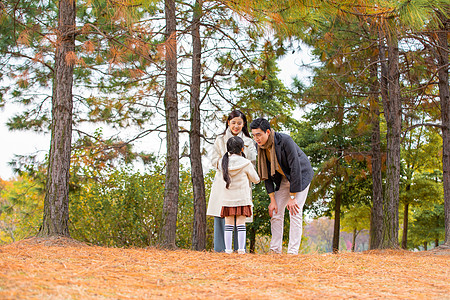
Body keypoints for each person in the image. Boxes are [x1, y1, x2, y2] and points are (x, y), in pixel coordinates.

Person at [250, 117, 314, 254]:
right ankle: (275, 251)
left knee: (295, 210)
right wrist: (272, 200)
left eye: (259, 134)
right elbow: (265, 174)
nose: (257, 138)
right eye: (254, 135)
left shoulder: (285, 141)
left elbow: (295, 168)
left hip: (300, 176)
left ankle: (292, 252)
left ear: (267, 132)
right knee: (275, 211)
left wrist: (293, 197)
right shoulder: (259, 147)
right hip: (285, 178)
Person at [207, 110, 257, 252]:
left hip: (241, 183)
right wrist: (226, 166)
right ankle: (222, 250)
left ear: (244, 124)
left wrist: (240, 165)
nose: (236, 126)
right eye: (233, 122)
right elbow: (214, 160)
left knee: (240, 216)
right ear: (228, 122)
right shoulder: (220, 139)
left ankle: (239, 249)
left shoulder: (248, 142)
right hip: (224, 181)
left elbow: (252, 161)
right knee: (222, 214)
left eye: (239, 123)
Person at [218, 136, 260, 254]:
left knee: (228, 225)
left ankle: (228, 250)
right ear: (242, 149)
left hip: (227, 199)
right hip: (242, 198)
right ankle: (241, 250)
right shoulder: (246, 163)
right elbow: (256, 179)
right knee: (241, 224)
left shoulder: (223, 162)